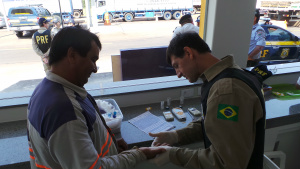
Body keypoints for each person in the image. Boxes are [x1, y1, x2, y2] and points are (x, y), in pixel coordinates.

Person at [27, 26, 166, 169]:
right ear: (72, 55)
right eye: (93, 59)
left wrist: (110, 145)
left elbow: (75, 148)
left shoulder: (48, 89)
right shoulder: (63, 111)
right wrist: (138, 154)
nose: (94, 68)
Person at [149, 32, 268, 169]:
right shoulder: (233, 73)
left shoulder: (226, 90)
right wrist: (175, 136)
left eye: (177, 65)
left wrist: (173, 154)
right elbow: (214, 124)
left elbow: (226, 163)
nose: (178, 74)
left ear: (188, 53)